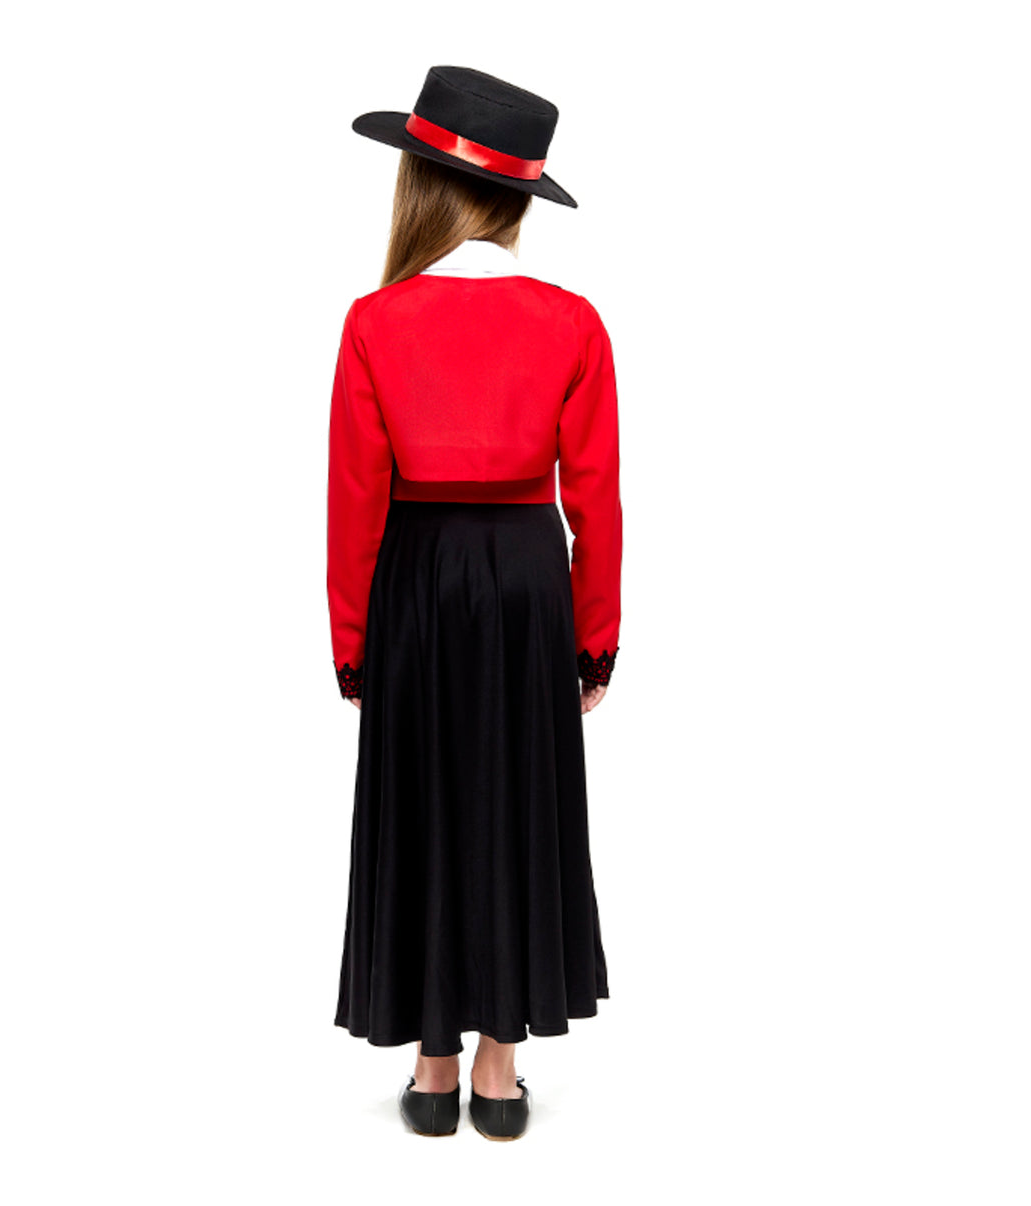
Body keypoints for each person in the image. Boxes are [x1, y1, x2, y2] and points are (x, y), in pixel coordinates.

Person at [326, 66, 622, 1141]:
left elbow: (355, 496)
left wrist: (353, 646)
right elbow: (596, 496)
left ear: (420, 184)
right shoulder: (572, 322)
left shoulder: (376, 321)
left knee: (422, 800)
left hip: (416, 573)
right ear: (515, 199)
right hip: (528, 579)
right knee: (516, 801)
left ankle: (433, 1066)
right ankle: (501, 1072)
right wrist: (594, 641)